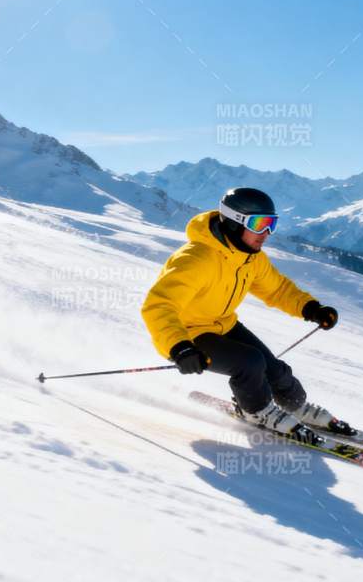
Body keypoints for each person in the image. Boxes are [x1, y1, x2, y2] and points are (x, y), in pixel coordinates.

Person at [141, 187, 341, 437]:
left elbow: (277, 289)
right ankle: (256, 411)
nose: (266, 233)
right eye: (259, 224)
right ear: (235, 223)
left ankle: (297, 406)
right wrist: (179, 347)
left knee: (275, 369)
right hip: (187, 335)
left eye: (272, 224)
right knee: (249, 363)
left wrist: (311, 308)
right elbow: (159, 304)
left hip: (223, 324)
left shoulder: (250, 258)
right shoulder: (196, 259)